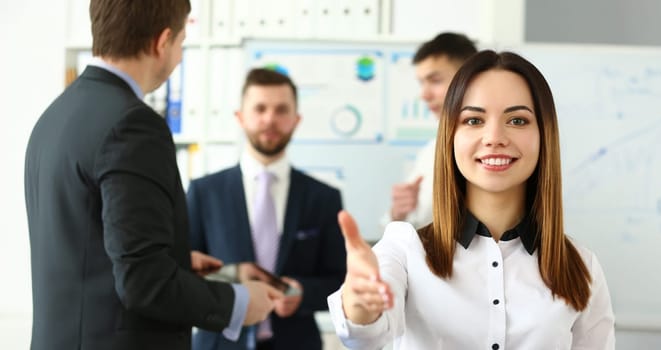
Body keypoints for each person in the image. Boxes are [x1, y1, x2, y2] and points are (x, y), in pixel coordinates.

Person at [24, 1, 282, 349]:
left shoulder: (55, 115)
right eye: (181, 42)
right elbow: (142, 283)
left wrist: (176, 259)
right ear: (162, 42)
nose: (179, 56)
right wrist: (238, 303)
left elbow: (85, 249)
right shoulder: (132, 124)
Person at [328, 50, 616, 349]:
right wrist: (361, 302)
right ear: (450, 134)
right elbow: (364, 336)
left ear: (545, 135)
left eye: (517, 120)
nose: (494, 137)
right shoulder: (405, 250)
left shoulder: (581, 266)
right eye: (474, 120)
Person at [187, 68, 347, 350]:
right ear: (240, 117)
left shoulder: (324, 198)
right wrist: (233, 282)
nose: (270, 119)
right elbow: (184, 275)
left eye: (281, 110)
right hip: (219, 343)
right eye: (260, 108)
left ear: (296, 120)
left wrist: (304, 293)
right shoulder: (204, 192)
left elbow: (339, 280)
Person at [383, 32, 478, 230]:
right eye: (421, 83)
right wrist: (399, 212)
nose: (424, 95)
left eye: (435, 80)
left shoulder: (497, 147)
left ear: (470, 79)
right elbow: (406, 227)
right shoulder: (429, 153)